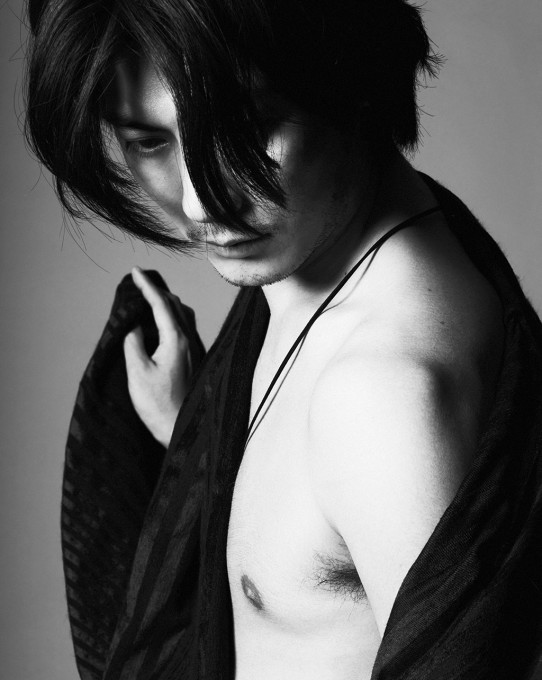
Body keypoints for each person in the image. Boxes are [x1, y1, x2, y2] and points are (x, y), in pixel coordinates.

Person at [25, 1, 542, 679]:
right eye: (150, 142)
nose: (202, 204)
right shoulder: (326, 256)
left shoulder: (380, 399)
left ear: (351, 84)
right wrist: (199, 432)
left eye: (245, 129)